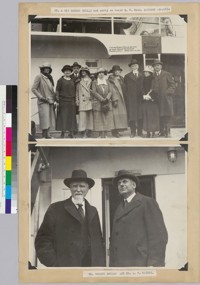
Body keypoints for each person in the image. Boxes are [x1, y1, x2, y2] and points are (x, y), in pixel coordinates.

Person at [35, 169, 106, 267]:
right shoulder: (56, 208)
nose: (78, 189)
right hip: (66, 267)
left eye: (82, 186)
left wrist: (99, 264)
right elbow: (43, 240)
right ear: (70, 188)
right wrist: (54, 264)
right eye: (74, 186)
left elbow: (98, 240)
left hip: (90, 267)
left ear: (88, 188)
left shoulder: (93, 211)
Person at [110, 170, 168, 267]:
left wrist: (154, 264)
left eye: (125, 181)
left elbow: (158, 236)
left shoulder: (147, 202)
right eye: (119, 183)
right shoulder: (119, 208)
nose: (121, 185)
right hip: (120, 264)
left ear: (134, 185)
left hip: (141, 262)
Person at [151, 60, 176, 137]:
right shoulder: (153, 76)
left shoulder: (166, 74)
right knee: (159, 115)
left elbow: (172, 85)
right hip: (157, 100)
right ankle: (161, 131)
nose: (156, 67)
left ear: (161, 66)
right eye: (155, 66)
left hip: (166, 99)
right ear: (153, 67)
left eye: (158, 65)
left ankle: (167, 132)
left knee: (167, 115)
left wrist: (167, 93)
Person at [31, 63, 56, 139]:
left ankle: (47, 134)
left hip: (50, 101)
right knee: (44, 118)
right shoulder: (39, 77)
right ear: (42, 69)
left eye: (48, 68)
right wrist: (41, 97)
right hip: (43, 101)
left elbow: (51, 90)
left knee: (49, 118)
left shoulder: (49, 78)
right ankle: (44, 135)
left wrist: (54, 100)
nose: (47, 69)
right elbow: (34, 89)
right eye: (45, 68)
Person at [91, 67, 115, 138]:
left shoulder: (107, 81)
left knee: (107, 117)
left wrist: (107, 98)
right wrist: (102, 99)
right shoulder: (95, 82)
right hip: (98, 102)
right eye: (99, 73)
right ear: (97, 74)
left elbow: (110, 91)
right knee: (99, 118)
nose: (101, 74)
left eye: (102, 73)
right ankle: (100, 133)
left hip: (107, 102)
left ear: (104, 74)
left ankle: (107, 133)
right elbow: (94, 92)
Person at [56, 65, 77, 138]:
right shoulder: (60, 80)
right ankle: (63, 133)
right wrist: (57, 100)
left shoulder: (72, 80)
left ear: (71, 72)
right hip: (63, 101)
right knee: (63, 117)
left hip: (71, 101)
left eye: (69, 71)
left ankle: (71, 132)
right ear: (64, 72)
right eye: (66, 71)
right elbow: (57, 90)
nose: (67, 72)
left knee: (71, 117)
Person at [124, 59, 143, 137]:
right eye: (132, 66)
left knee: (140, 115)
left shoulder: (142, 75)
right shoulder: (127, 76)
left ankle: (140, 131)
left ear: (138, 66)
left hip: (140, 98)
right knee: (132, 116)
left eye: (135, 65)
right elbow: (125, 88)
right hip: (131, 99)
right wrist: (128, 97)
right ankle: (133, 131)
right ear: (131, 67)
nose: (134, 67)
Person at [108, 65, 128, 138]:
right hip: (116, 99)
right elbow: (111, 90)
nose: (117, 72)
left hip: (122, 98)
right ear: (113, 72)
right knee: (115, 116)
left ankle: (118, 130)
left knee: (121, 115)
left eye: (118, 71)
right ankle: (114, 132)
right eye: (115, 71)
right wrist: (114, 99)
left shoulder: (122, 78)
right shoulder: (111, 79)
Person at [142, 65, 160, 138]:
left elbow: (156, 89)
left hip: (152, 101)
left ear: (150, 73)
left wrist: (150, 96)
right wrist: (143, 95)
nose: (145, 73)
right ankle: (148, 132)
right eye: (145, 72)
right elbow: (141, 88)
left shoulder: (154, 79)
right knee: (146, 117)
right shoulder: (143, 79)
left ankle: (153, 132)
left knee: (153, 117)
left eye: (147, 72)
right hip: (145, 101)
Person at [76, 66, 93, 138]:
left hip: (89, 101)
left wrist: (92, 98)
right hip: (82, 101)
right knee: (82, 118)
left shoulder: (92, 80)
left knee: (89, 117)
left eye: (84, 71)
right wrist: (77, 100)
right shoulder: (79, 81)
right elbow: (77, 92)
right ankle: (83, 132)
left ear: (87, 72)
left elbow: (94, 91)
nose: (83, 72)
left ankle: (89, 131)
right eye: (82, 71)